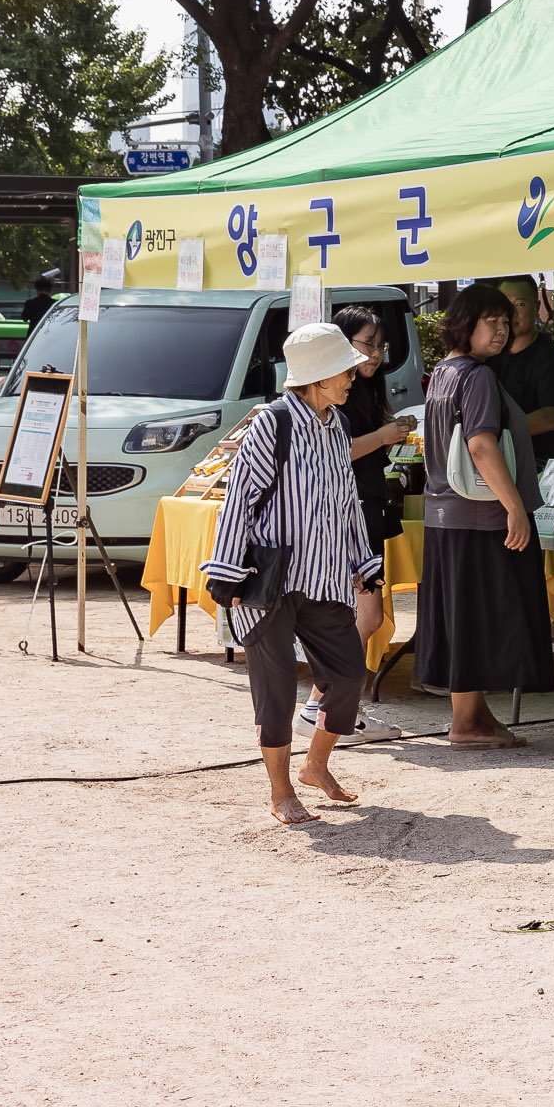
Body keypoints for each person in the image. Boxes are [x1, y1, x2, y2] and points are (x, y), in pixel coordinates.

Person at [200, 323, 384, 826]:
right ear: (319, 377)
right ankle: (280, 791)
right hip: (270, 581)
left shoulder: (335, 426)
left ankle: (314, 765)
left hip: (324, 577)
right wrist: (226, 573)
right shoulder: (271, 424)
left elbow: (348, 504)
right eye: (345, 369)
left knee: (348, 673)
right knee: (277, 689)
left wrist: (364, 564)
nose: (353, 376)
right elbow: (239, 500)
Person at [415, 282, 553, 748]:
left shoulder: (443, 373)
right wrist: (515, 507)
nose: (501, 330)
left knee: (462, 618)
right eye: (489, 322)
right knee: (486, 617)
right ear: (464, 325)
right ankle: (468, 721)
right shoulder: (476, 377)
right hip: (479, 518)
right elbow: (481, 444)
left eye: (503, 321)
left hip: (444, 517)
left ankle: (471, 717)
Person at [296, 305, 416, 732]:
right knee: (365, 618)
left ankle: (328, 704)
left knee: (365, 617)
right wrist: (385, 435)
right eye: (367, 344)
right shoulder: (325, 398)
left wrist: (391, 433)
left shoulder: (361, 392)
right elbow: (336, 453)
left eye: (380, 346)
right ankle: (327, 704)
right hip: (352, 516)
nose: (375, 355)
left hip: (367, 509)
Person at [491, 276, 554, 468]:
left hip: (544, 467)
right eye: (505, 304)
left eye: (520, 304)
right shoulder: (490, 354)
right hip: (501, 463)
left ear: (536, 307)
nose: (512, 313)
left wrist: (495, 432)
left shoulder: (550, 355)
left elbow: (552, 417)